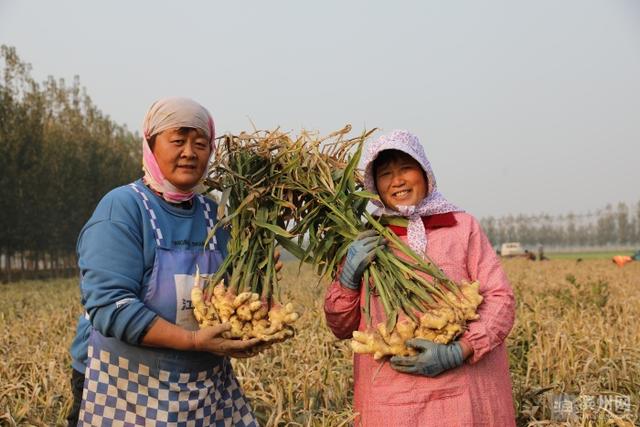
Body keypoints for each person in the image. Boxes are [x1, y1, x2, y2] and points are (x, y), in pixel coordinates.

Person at [67, 97, 261, 426]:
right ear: (151, 144)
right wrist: (193, 341)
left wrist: (254, 282)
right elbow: (110, 305)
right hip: (122, 387)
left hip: (201, 386)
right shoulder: (123, 208)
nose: (190, 152)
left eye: (201, 143)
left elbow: (229, 298)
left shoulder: (215, 215)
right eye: (178, 141)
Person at [324, 130, 516, 426]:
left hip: (466, 393)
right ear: (374, 186)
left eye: (405, 169)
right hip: (391, 402)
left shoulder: (461, 227)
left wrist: (459, 350)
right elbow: (340, 327)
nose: (397, 180)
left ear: (425, 172)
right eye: (385, 174)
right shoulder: (365, 239)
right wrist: (348, 280)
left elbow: (501, 299)